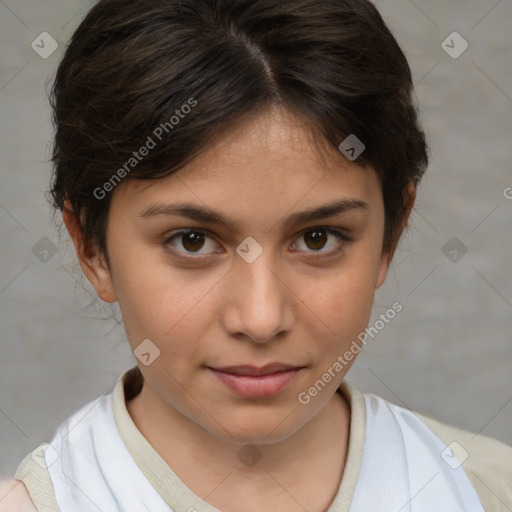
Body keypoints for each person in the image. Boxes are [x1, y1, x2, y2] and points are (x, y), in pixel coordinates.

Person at [2, 0, 511, 511]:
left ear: (390, 234)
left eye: (318, 238)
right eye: (193, 241)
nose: (262, 319)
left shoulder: (485, 490)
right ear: (92, 248)